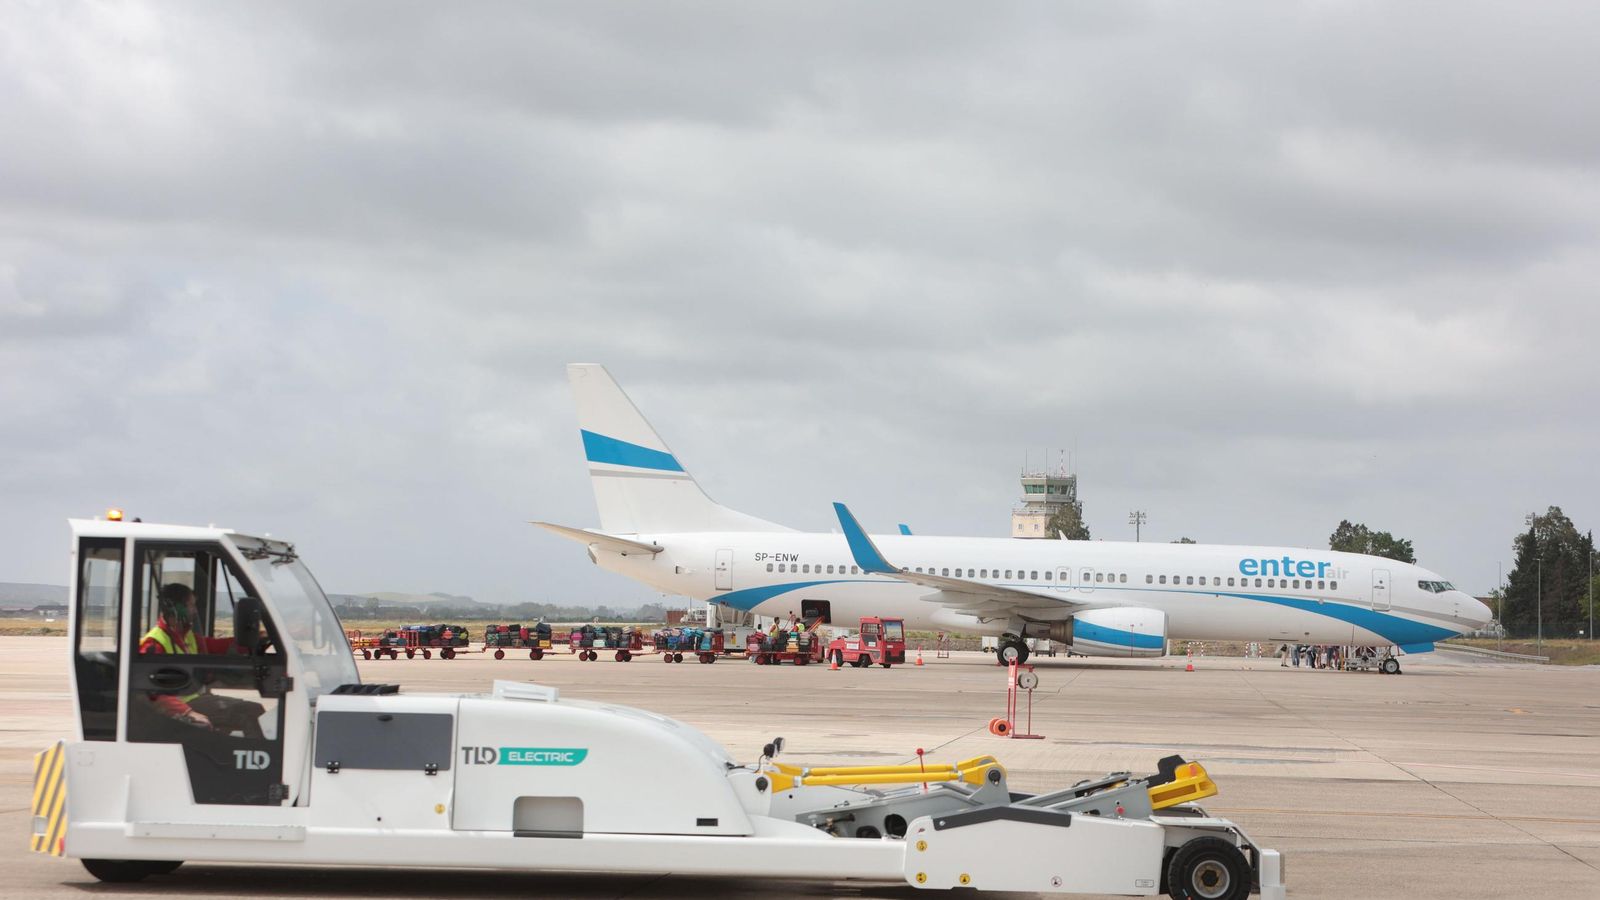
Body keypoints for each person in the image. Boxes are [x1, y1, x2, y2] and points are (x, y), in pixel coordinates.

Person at [140, 583, 266, 738]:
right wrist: (188, 712)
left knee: (252, 710)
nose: (194, 611)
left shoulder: (186, 636)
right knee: (249, 712)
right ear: (176, 608)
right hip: (182, 705)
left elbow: (217, 646)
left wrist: (254, 639)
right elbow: (151, 692)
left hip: (197, 698)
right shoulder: (154, 643)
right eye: (191, 605)